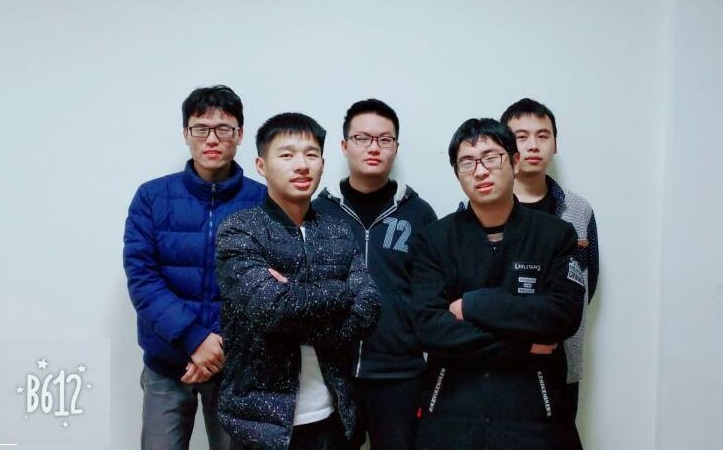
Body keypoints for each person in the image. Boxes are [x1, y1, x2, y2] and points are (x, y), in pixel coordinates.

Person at [410, 118, 585, 449]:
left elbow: (562, 316)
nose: (480, 171)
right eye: (467, 162)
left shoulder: (554, 235)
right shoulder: (434, 240)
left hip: (534, 413)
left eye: (491, 158)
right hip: (452, 411)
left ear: (514, 161)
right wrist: (523, 344)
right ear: (457, 173)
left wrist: (474, 305)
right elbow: (429, 328)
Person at [215, 112, 381, 450]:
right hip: (260, 426)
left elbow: (369, 309)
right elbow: (272, 308)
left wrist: (292, 299)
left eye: (311, 154)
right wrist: (341, 291)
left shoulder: (337, 231)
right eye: (287, 155)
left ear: (322, 163)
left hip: (333, 417)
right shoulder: (240, 230)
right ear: (261, 165)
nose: (302, 165)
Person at [123, 85, 266, 449]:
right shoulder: (151, 197)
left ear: (240, 135)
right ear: (186, 134)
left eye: (223, 129)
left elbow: (266, 286)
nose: (211, 139)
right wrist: (194, 338)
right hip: (167, 363)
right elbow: (142, 279)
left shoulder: (263, 201)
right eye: (200, 128)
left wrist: (219, 347)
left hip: (235, 366)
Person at [313, 99, 437, 450]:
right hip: (332, 372)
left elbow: (432, 292)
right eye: (363, 138)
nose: (373, 147)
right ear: (344, 145)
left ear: (396, 147)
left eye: (384, 139)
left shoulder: (420, 214)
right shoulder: (318, 211)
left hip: (400, 373)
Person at [501, 98, 599, 416]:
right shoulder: (479, 207)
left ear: (555, 144)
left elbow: (586, 284)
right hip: (496, 363)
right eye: (521, 136)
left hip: (562, 361)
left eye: (542, 136)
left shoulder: (578, 210)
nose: (533, 145)